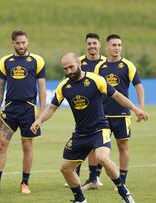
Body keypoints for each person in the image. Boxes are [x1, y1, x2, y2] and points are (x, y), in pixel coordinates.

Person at [30, 53, 148, 203]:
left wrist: (135, 108)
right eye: (65, 69)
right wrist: (40, 120)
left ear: (79, 63)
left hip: (100, 129)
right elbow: (52, 107)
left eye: (71, 67)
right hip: (80, 134)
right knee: (65, 169)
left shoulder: (95, 80)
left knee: (102, 157)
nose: (69, 71)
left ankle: (124, 192)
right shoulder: (64, 86)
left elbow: (117, 96)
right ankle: (80, 199)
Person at [0, 30, 46, 195]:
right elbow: (0, 88)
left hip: (29, 110)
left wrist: (42, 114)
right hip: (9, 110)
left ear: (27, 41)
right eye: (18, 43)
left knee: (27, 146)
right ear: (13, 43)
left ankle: (24, 183)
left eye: (24, 42)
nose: (22, 45)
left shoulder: (37, 61)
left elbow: (42, 89)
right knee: (0, 145)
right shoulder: (5, 62)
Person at [94, 34, 145, 189]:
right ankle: (95, 178)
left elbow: (138, 85)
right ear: (107, 47)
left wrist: (140, 108)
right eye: (114, 45)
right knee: (100, 147)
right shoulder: (100, 67)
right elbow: (94, 88)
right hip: (103, 115)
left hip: (122, 114)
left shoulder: (128, 65)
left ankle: (121, 180)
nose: (117, 48)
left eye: (119, 45)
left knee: (123, 146)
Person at [68, 33, 107, 189]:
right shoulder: (79, 63)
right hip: (84, 110)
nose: (92, 46)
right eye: (89, 43)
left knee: (100, 147)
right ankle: (75, 176)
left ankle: (94, 177)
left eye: (94, 43)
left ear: (99, 45)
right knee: (83, 143)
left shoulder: (105, 63)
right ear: (86, 45)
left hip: (104, 109)